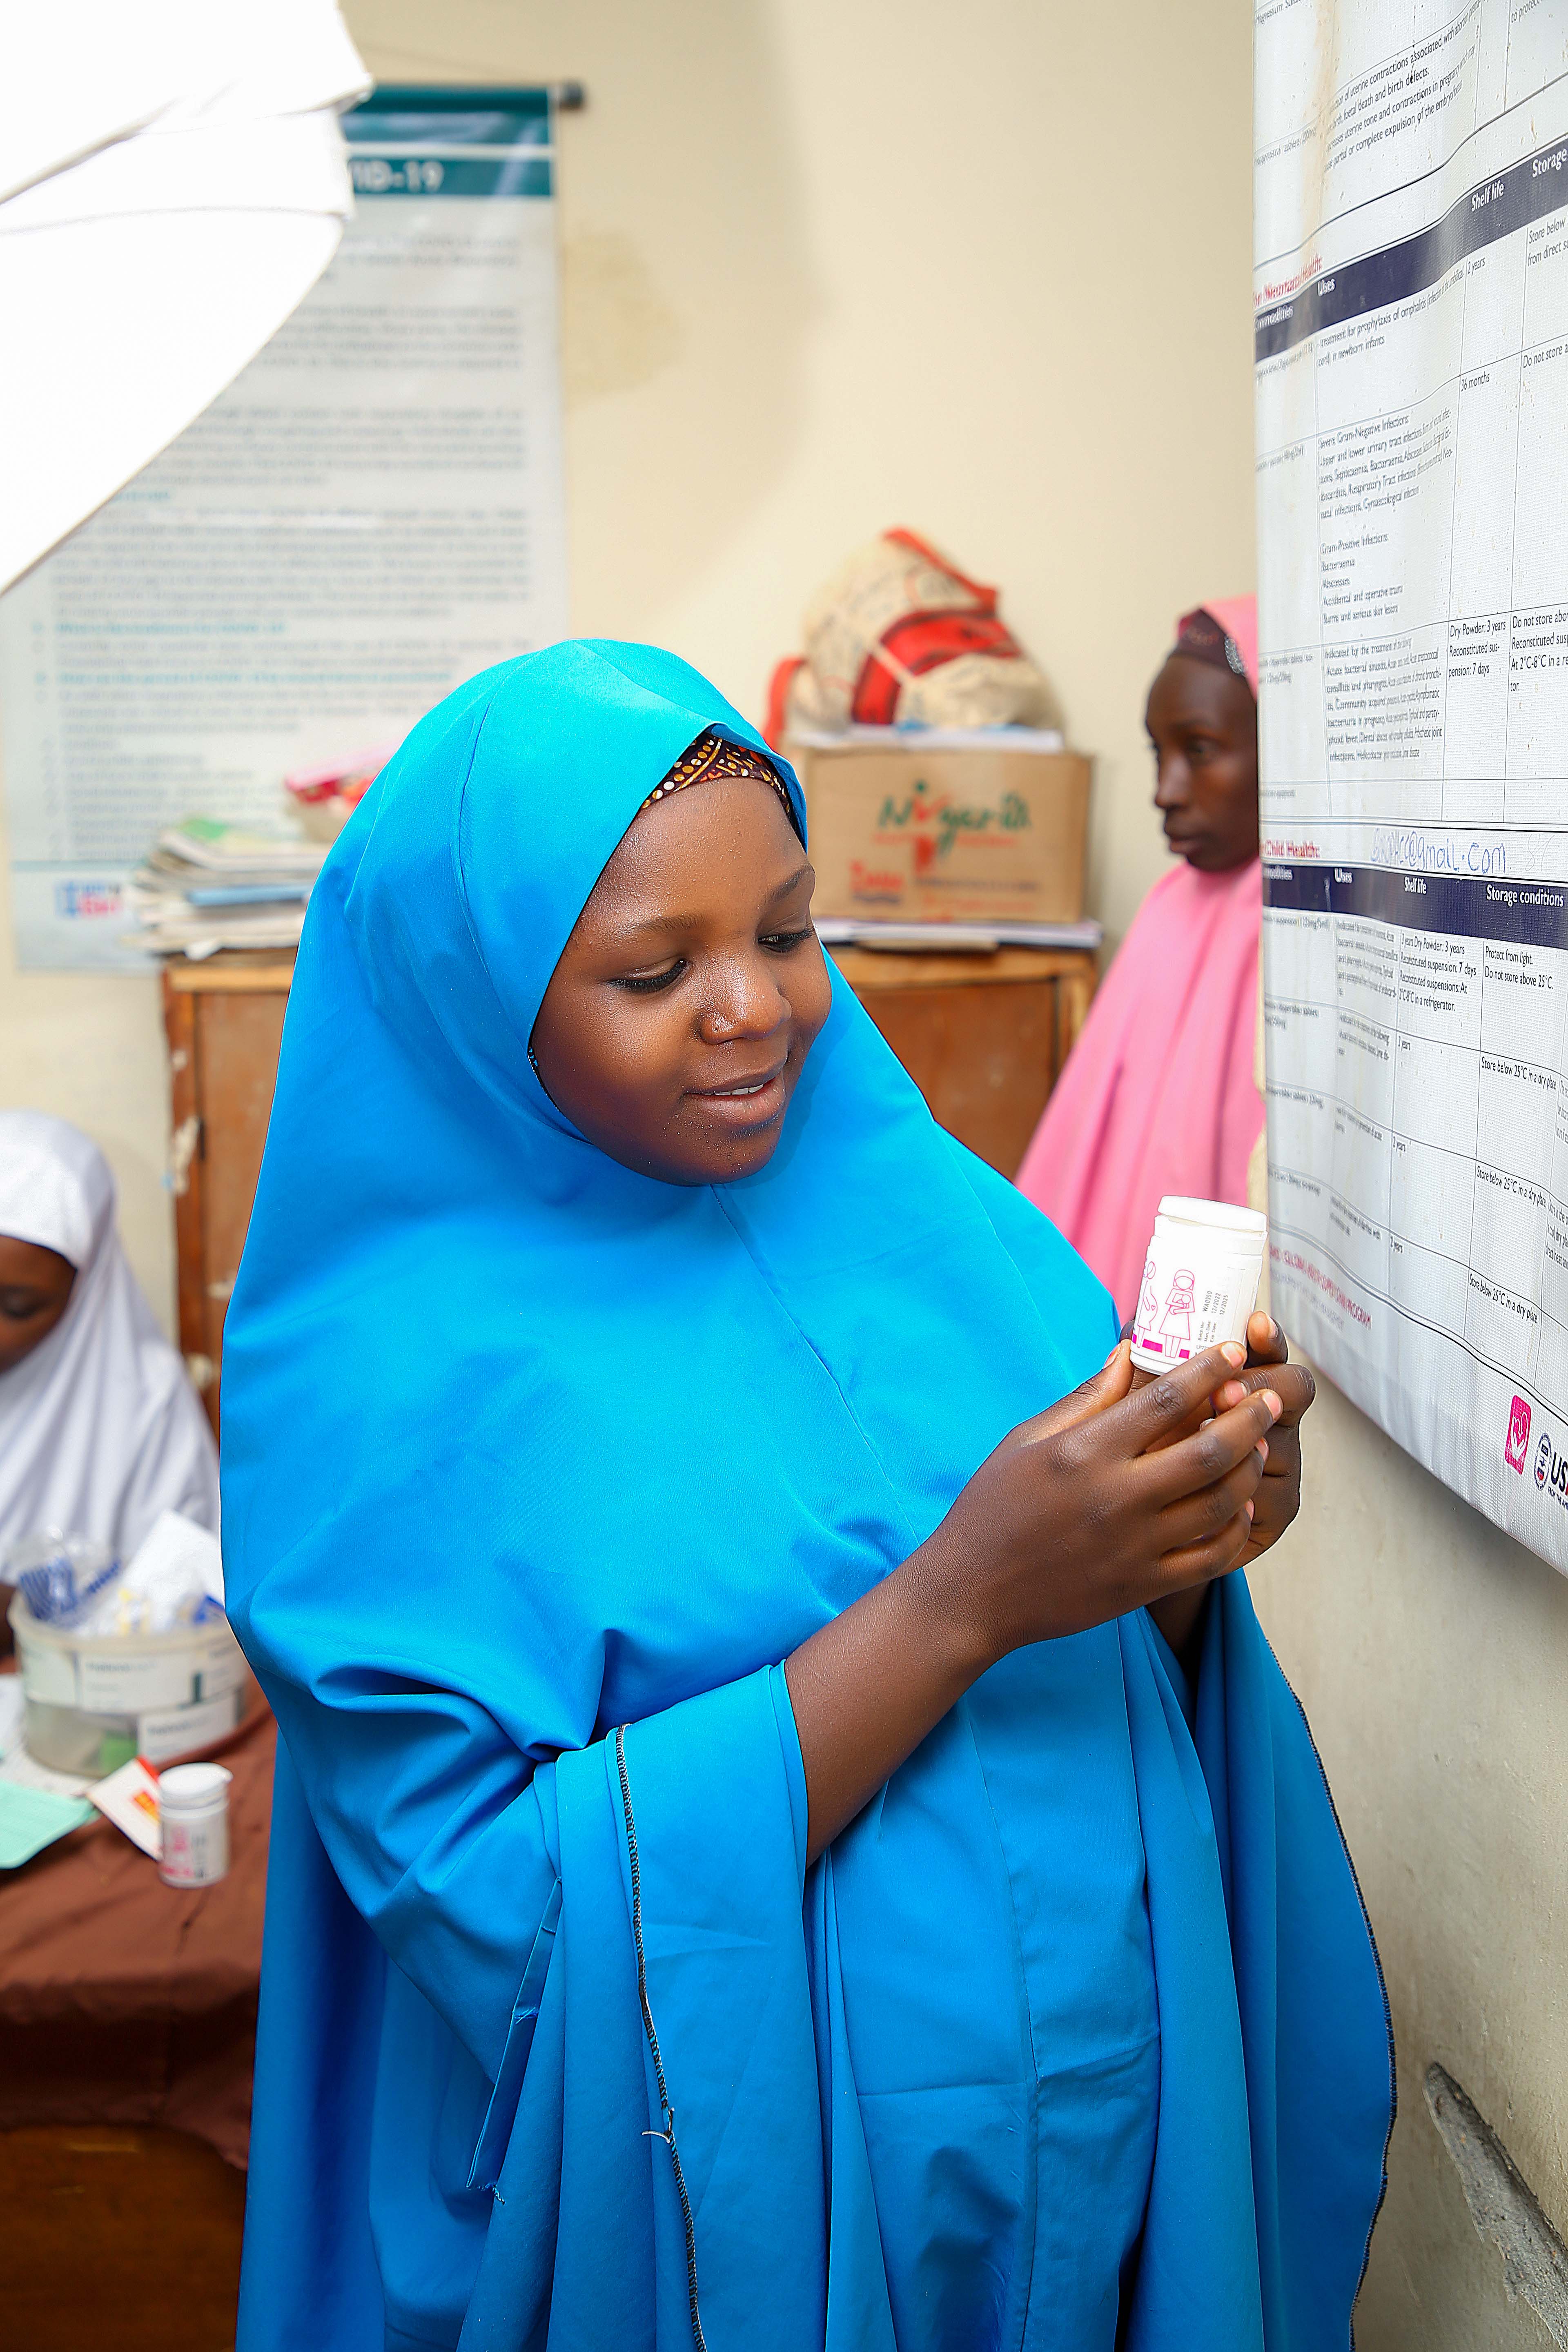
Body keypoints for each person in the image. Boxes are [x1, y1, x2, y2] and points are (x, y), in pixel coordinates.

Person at [221, 644, 1390, 2352]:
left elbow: (1118, 1652)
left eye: (785, 930)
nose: (755, 1008)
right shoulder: (380, 1397)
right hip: (739, 2259)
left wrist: (1184, 1541)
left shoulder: (937, 1225)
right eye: (652, 966)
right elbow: (505, 1924)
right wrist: (960, 1601)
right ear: (478, 1000)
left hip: (1092, 2211)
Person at [1016, 597, 1263, 1322]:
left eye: (1201, 750)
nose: (1166, 791)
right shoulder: (1170, 904)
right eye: (1159, 753)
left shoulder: (1290, 927)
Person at [0, 1110, 219, 1563]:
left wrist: (36, 1613)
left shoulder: (147, 1404)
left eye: (16, 1308)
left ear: (86, 1294)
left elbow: (183, 1599)